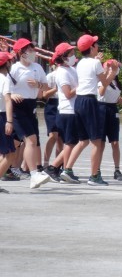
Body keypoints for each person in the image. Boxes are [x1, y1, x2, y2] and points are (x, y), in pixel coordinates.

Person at [67, 34, 116, 186]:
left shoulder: (80, 63)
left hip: (79, 101)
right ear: (91, 47)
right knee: (96, 140)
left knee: (83, 140)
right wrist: (112, 72)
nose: (97, 46)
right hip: (89, 100)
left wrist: (103, 68)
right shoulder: (95, 64)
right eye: (95, 44)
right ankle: (94, 176)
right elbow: (105, 83)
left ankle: (67, 169)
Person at [7, 38, 51, 189]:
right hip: (17, 107)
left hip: (31, 106)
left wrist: (38, 85)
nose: (33, 52)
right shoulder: (14, 68)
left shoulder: (37, 67)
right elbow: (5, 88)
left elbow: (45, 87)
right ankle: (33, 173)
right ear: (21, 53)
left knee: (19, 141)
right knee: (30, 140)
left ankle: (11, 167)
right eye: (29, 50)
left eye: (33, 49)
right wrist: (12, 95)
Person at [51, 43, 80, 184]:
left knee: (72, 143)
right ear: (63, 57)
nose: (74, 56)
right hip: (67, 110)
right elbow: (68, 94)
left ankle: (61, 169)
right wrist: (82, 86)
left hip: (73, 110)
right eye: (70, 53)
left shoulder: (71, 69)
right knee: (70, 143)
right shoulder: (61, 72)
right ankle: (54, 168)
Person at [98, 60, 122, 181]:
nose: (114, 68)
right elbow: (101, 92)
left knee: (115, 142)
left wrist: (119, 99)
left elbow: (113, 94)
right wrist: (107, 76)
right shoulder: (102, 81)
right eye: (111, 67)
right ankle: (97, 169)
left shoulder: (117, 83)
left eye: (116, 67)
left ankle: (117, 169)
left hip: (113, 109)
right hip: (102, 109)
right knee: (101, 142)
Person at [0, 52, 16, 193]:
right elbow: (7, 100)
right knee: (10, 154)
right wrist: (9, 121)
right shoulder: (5, 79)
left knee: (3, 154)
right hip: (2, 116)